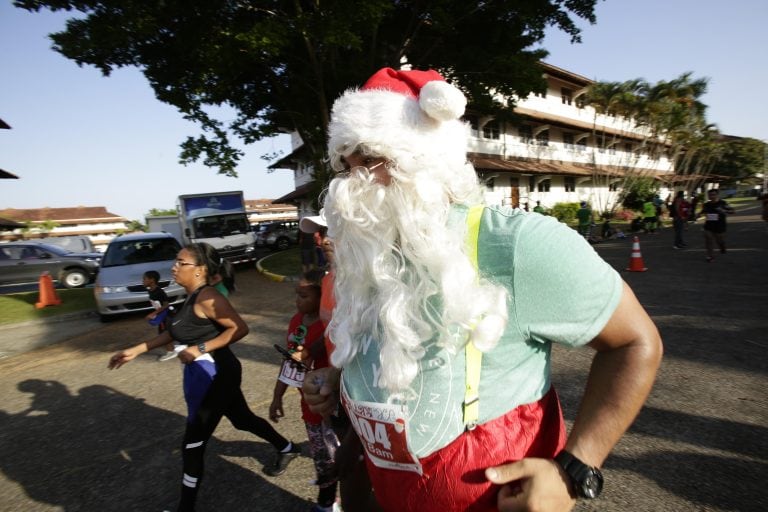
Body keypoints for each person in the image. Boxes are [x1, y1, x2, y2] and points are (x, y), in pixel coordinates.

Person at [302, 67, 663, 512]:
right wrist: (339, 379)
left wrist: (575, 470)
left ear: (426, 158)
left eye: (372, 159)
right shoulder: (369, 259)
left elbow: (635, 342)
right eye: (346, 165)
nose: (353, 186)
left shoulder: (518, 243)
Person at [108, 242, 300, 512]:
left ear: (199, 270)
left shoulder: (209, 298)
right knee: (242, 419)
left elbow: (239, 328)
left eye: (181, 263)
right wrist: (136, 350)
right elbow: (177, 332)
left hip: (218, 375)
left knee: (192, 445)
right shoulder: (191, 295)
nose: (174, 267)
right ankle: (287, 446)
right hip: (212, 375)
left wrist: (199, 349)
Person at [299, 212, 381, 512]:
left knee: (356, 470)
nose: (322, 240)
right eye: (319, 233)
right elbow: (334, 329)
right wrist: (312, 352)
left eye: (329, 230)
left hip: (364, 392)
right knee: (349, 468)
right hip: (337, 387)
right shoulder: (328, 278)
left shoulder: (369, 279)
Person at [270, 270, 338, 512]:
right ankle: (328, 501)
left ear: (322, 298)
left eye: (304, 295)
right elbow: (289, 360)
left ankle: (331, 500)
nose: (297, 301)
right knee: (321, 456)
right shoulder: (295, 321)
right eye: (297, 295)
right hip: (309, 405)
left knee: (338, 456)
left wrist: (310, 352)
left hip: (333, 403)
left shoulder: (329, 324)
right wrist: (277, 395)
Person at [143, 270, 176, 362]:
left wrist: (153, 314)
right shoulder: (150, 290)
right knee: (163, 332)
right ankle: (172, 348)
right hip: (161, 315)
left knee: (164, 333)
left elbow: (166, 305)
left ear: (152, 280)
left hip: (166, 315)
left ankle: (171, 351)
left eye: (145, 279)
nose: (143, 281)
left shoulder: (159, 292)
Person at [699, 188, 734, 262]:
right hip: (708, 225)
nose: (711, 197)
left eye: (713, 195)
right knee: (708, 239)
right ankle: (710, 256)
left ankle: (722, 246)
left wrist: (723, 210)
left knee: (719, 240)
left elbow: (732, 211)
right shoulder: (706, 204)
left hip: (720, 225)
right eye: (710, 195)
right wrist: (698, 215)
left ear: (717, 195)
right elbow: (703, 211)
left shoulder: (723, 203)